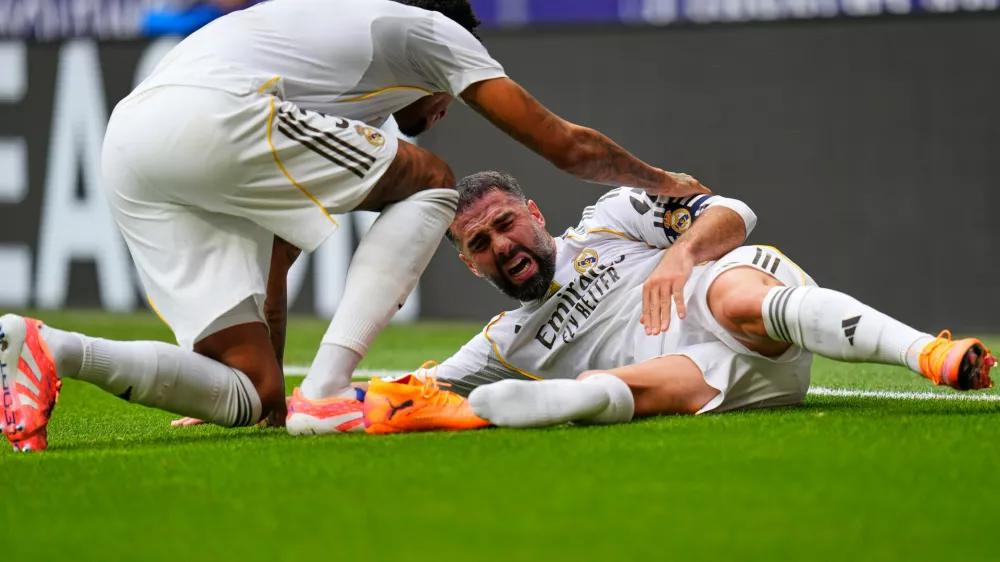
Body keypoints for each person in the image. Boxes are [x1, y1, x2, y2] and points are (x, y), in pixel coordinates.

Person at [0, 0, 708, 451]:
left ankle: (51, 349)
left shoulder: (336, 91)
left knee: (253, 396)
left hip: (131, 146)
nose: (445, 107)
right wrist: (661, 181)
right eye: (450, 96)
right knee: (434, 180)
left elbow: (277, 255)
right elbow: (564, 146)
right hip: (207, 113)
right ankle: (331, 392)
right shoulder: (432, 31)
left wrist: (272, 375)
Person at [359, 171, 995, 433]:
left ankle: (929, 354)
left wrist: (679, 256)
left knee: (731, 295)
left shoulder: (609, 220)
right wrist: (329, 402)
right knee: (620, 382)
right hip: (720, 382)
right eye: (481, 243)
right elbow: (412, 389)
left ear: (534, 213)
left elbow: (732, 212)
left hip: (743, 305)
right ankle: (572, 398)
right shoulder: (502, 343)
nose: (502, 245)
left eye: (505, 224)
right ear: (471, 264)